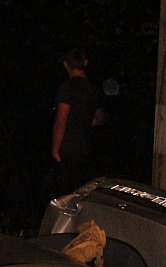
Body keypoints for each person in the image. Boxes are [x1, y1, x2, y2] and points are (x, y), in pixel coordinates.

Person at [47, 48, 101, 198]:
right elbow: (98, 117)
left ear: (66, 64)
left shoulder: (67, 88)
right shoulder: (92, 89)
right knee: (82, 194)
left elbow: (60, 121)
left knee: (65, 196)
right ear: (85, 63)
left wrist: (55, 149)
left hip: (69, 150)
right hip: (86, 149)